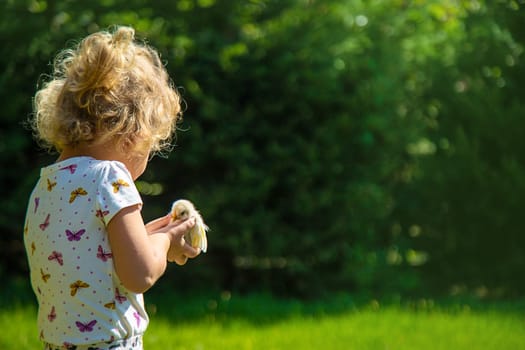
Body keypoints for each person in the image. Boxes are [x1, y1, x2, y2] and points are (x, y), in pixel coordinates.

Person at [23, 26, 201, 350]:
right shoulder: (110, 177)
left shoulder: (45, 185)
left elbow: (93, 258)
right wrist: (165, 241)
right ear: (132, 133)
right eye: (151, 145)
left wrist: (146, 238)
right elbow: (140, 274)